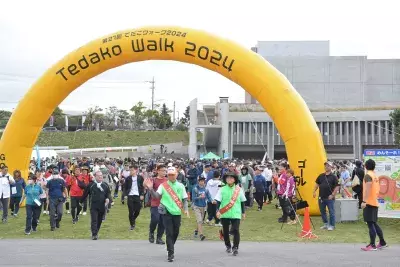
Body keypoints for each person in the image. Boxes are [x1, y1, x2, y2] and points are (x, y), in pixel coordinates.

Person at [144, 166, 190, 262]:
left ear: (176, 175)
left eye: (173, 175)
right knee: (169, 232)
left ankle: (170, 245)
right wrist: (151, 189)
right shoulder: (163, 185)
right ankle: (171, 253)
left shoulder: (181, 186)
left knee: (176, 232)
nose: (171, 177)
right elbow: (156, 196)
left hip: (177, 212)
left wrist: (186, 209)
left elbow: (185, 199)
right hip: (166, 212)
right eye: (169, 175)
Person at [215, 172, 246, 256]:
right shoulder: (222, 189)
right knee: (225, 231)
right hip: (225, 213)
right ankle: (228, 246)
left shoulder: (239, 189)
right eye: (227, 178)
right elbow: (218, 201)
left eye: (231, 178)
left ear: (235, 179)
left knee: (236, 230)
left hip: (236, 213)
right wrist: (217, 210)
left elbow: (242, 202)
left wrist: (243, 212)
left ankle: (235, 247)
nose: (229, 179)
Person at [361, 159, 388, 251]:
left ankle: (372, 245)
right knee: (374, 223)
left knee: (370, 224)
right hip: (374, 202)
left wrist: (364, 201)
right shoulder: (375, 176)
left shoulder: (368, 176)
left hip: (369, 202)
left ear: (365, 166)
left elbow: (368, 188)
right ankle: (382, 242)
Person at [81, 171, 112, 240]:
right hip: (93, 205)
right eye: (98, 176)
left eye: (101, 176)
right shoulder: (91, 185)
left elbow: (108, 194)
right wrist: (81, 201)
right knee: (94, 220)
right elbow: (85, 194)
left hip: (102, 206)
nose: (100, 177)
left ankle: (96, 231)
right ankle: (94, 234)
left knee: (99, 220)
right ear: (95, 177)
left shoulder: (105, 185)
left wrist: (108, 200)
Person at [313, 161, 339, 231]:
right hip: (321, 197)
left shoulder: (334, 177)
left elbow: (337, 187)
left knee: (331, 211)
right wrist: (314, 191)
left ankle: (332, 225)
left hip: (330, 197)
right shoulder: (321, 175)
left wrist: (333, 195)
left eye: (328, 166)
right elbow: (317, 184)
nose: (326, 167)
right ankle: (326, 224)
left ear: (331, 167)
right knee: (322, 211)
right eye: (325, 165)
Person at [148, 164, 168, 244]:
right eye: (163, 171)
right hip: (155, 203)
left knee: (162, 221)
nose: (164, 172)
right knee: (155, 219)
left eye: (165, 171)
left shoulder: (167, 180)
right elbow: (147, 187)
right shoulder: (154, 180)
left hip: (164, 203)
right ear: (158, 171)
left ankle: (159, 238)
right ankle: (151, 232)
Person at [124, 165, 144, 231]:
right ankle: (132, 224)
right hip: (130, 196)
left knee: (138, 211)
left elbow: (142, 187)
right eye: (130, 170)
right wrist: (125, 195)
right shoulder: (128, 178)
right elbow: (125, 187)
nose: (131, 171)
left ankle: (132, 219)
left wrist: (141, 194)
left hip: (137, 196)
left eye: (132, 170)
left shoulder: (140, 178)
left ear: (136, 170)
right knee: (131, 211)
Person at [191, 176, 213, 240]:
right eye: (201, 181)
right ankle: (201, 235)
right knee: (200, 220)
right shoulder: (195, 189)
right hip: (197, 206)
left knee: (200, 220)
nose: (202, 182)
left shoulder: (206, 189)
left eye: (203, 181)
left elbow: (209, 197)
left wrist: (212, 201)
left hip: (203, 206)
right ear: (198, 181)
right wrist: (199, 197)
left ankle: (196, 230)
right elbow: (193, 199)